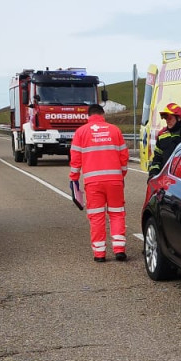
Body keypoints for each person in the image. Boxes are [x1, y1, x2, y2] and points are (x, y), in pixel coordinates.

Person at [69, 103, 130, 264]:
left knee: (96, 216)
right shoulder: (114, 130)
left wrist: (74, 178)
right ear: (103, 114)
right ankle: (119, 250)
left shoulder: (81, 132)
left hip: (93, 182)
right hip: (115, 180)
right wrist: (121, 174)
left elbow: (75, 159)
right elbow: (124, 155)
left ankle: (100, 253)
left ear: (88, 116)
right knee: (117, 214)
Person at [147, 103, 181, 177]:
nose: (167, 121)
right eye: (166, 118)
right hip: (165, 179)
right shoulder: (162, 135)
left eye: (170, 118)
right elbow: (157, 159)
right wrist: (153, 174)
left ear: (178, 118)